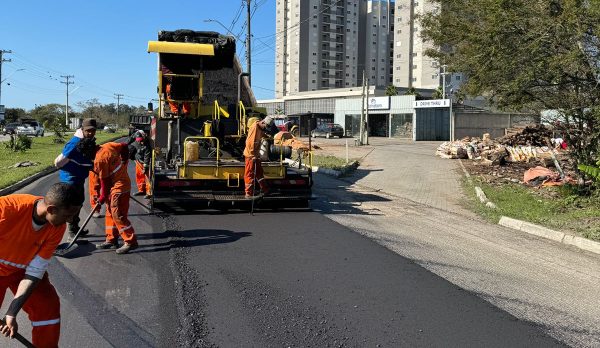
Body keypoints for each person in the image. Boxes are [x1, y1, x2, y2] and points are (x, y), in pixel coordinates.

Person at [0, 183, 84, 348]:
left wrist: (12, 312)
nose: (71, 220)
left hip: (22, 271)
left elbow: (34, 272)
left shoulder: (56, 227)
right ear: (51, 209)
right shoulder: (6, 210)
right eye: (69, 214)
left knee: (47, 306)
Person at [53, 118, 97, 240]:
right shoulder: (75, 143)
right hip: (70, 179)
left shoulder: (87, 141)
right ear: (82, 129)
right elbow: (58, 162)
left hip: (79, 178)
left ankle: (75, 228)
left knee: (78, 202)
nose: (91, 133)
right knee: (70, 205)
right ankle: (69, 232)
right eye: (88, 131)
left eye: (93, 130)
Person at [93, 142, 139, 254]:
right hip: (117, 184)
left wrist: (102, 197)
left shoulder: (99, 160)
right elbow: (123, 145)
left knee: (118, 214)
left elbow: (105, 181)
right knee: (110, 212)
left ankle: (130, 241)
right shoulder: (107, 145)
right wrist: (124, 159)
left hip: (119, 186)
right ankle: (111, 239)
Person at [243, 116, 273, 199]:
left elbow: (261, 134)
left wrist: (266, 135)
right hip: (251, 156)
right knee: (249, 174)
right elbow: (249, 143)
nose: (265, 129)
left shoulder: (260, 128)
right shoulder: (254, 128)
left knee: (259, 172)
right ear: (263, 122)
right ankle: (248, 193)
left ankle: (265, 189)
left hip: (256, 155)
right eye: (266, 127)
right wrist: (253, 155)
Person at [127, 130, 152, 198]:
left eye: (141, 140)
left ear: (144, 137)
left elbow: (147, 155)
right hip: (138, 162)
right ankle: (141, 190)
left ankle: (149, 193)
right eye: (138, 140)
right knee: (139, 176)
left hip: (145, 163)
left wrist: (145, 166)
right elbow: (127, 145)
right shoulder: (135, 141)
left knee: (147, 178)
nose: (139, 141)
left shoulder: (146, 144)